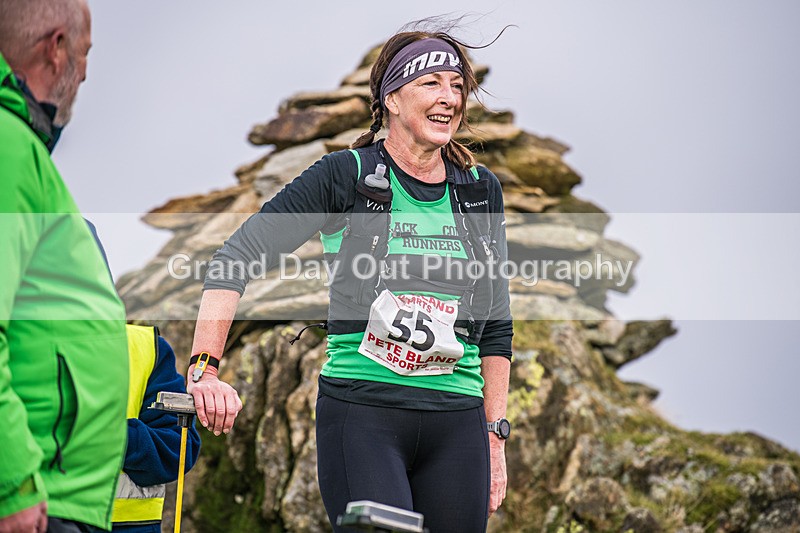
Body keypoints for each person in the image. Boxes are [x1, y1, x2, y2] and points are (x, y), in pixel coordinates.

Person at [188, 26, 513, 532]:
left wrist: (494, 438)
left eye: (456, 85)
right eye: (432, 83)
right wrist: (204, 370)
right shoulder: (347, 175)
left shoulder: (478, 189)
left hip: (459, 422)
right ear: (391, 99)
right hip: (364, 415)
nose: (449, 98)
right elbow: (236, 257)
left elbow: (496, 327)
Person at [0, 0, 130, 532]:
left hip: (53, 493)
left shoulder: (19, 145)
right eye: (84, 54)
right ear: (55, 50)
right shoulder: (8, 147)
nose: (85, 72)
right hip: (35, 494)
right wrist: (14, 483)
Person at [111, 326, 201, 533]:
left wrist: (112, 436)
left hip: (130, 526)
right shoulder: (25, 342)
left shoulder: (147, 347)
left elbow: (179, 449)